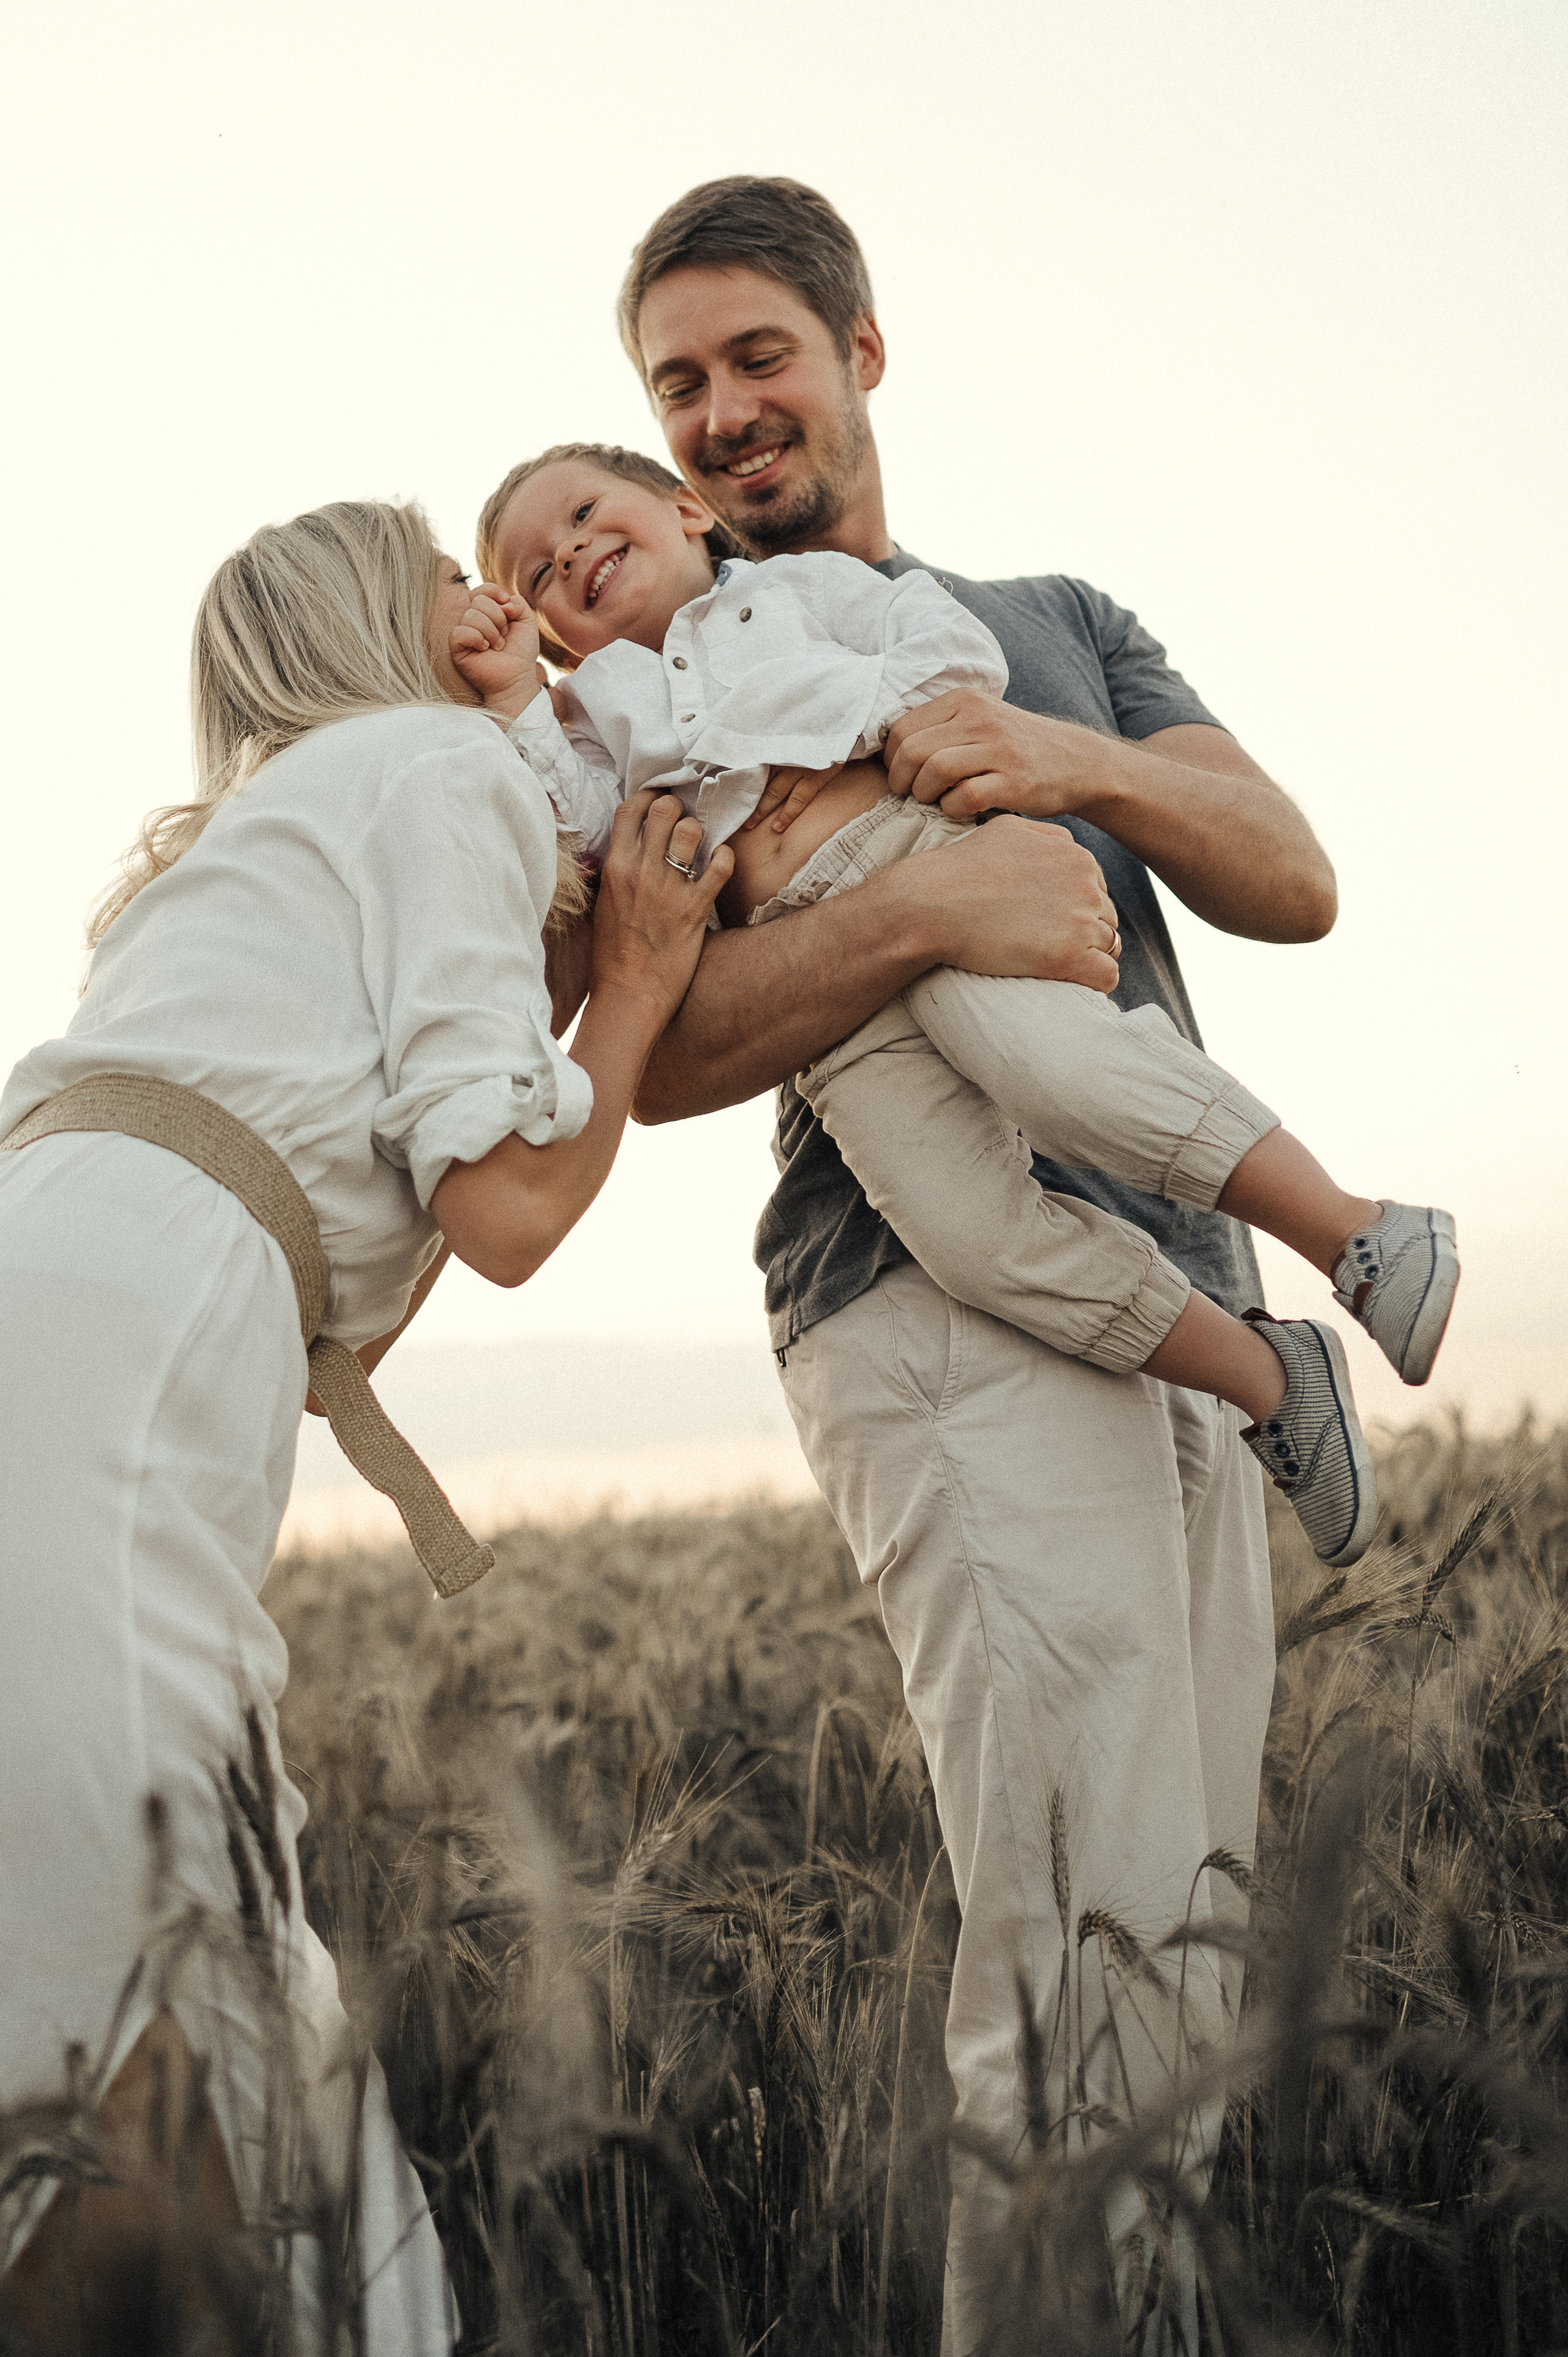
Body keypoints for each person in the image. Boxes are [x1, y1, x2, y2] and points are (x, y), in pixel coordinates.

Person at [603, 175, 1372, 2350]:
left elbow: (1291, 874)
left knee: (1180, 1962)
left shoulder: (1054, 612)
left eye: (759, 354)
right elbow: (653, 1054)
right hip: (936, 1308)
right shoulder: (673, 658)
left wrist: (1063, 760)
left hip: (1185, 1290)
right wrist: (928, 908)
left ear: (861, 346)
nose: (725, 412)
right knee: (1076, 1969)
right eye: (677, 384)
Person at [0, 500, 730, 2352]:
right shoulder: (436, 773)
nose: (494, 597)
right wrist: (636, 980)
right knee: (202, 1920)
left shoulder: (246, 848)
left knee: (81, 1917)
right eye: (441, 567)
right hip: (128, 1347)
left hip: (64, 1284)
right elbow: (499, 1220)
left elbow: (372, 1268)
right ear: (367, 626)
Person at [464, 441, 1458, 1568]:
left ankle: (1359, 1232)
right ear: (559, 640)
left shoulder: (802, 592)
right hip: (824, 1003)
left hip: (914, 850)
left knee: (1074, 1080)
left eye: (589, 513)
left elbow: (949, 649)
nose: (574, 553)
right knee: (974, 1239)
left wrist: (861, 726)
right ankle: (1269, 1379)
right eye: (541, 572)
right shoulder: (599, 717)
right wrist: (511, 698)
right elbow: (576, 818)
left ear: (690, 512)